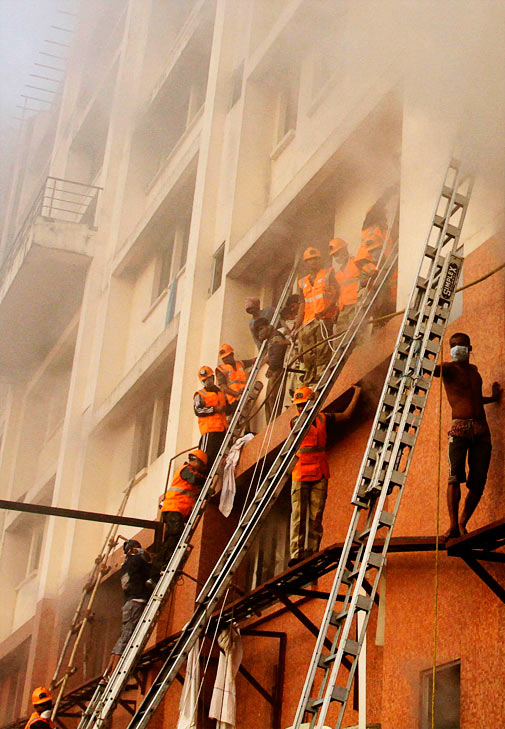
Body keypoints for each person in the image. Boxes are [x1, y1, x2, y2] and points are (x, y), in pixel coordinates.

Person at [434, 332, 501, 539]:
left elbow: (474, 399)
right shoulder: (448, 368)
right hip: (459, 429)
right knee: (455, 476)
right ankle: (453, 525)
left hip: (482, 429)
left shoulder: (473, 371)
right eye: (453, 345)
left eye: (461, 344)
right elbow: (432, 370)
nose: (457, 348)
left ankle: (463, 522)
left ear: (469, 348)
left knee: (479, 480)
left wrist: (492, 398)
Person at [288, 384, 361, 566]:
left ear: (311, 403)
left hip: (320, 471)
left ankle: (312, 552)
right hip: (301, 472)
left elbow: (346, 416)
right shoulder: (295, 422)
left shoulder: (322, 418)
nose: (300, 408)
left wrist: (356, 393)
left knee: (316, 515)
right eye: (298, 405)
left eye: (303, 404)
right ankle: (297, 554)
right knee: (299, 515)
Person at [147, 450, 208, 587]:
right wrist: (207, 478)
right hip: (175, 509)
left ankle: (161, 570)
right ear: (196, 461)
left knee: (173, 539)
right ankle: (160, 570)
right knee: (173, 538)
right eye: (202, 465)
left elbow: (192, 490)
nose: (202, 469)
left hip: (177, 511)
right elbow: (195, 480)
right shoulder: (186, 470)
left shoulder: (188, 472)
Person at [103, 539, 151, 677]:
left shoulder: (125, 566)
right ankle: (113, 673)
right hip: (136, 601)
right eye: (138, 547)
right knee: (126, 638)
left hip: (128, 603)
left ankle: (109, 670)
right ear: (132, 550)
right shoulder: (136, 560)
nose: (140, 549)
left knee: (123, 637)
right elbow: (148, 560)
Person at [294, 247, 339, 387]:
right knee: (308, 354)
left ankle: (321, 377)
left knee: (322, 350)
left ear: (320, 260)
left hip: (324, 319)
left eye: (315, 259)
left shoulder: (328, 274)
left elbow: (335, 294)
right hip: (308, 322)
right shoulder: (302, 282)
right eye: (309, 260)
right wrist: (297, 326)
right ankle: (309, 380)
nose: (313, 262)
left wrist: (325, 310)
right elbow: (302, 304)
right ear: (306, 263)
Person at [253, 317, 289, 421]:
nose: (260, 333)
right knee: (269, 398)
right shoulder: (271, 339)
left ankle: (274, 421)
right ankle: (271, 422)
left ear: (268, 326)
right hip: (275, 369)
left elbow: (278, 352)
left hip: (277, 370)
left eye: (261, 329)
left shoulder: (275, 336)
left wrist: (271, 368)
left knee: (273, 397)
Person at [194, 366, 228, 468]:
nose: (207, 382)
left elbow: (227, 408)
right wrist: (214, 409)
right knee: (206, 456)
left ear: (213, 378)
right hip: (209, 430)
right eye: (204, 380)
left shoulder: (220, 392)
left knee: (218, 455)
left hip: (222, 429)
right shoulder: (200, 394)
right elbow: (198, 410)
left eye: (208, 379)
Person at [329, 238, 361, 331]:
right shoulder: (338, 274)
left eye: (337, 253)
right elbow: (340, 294)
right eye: (334, 255)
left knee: (355, 335)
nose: (336, 257)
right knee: (340, 338)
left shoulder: (356, 262)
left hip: (356, 305)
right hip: (344, 309)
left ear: (344, 250)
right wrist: (337, 311)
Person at [216, 344, 255, 414]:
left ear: (232, 354)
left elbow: (252, 361)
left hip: (244, 396)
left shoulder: (240, 363)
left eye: (227, 356)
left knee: (245, 417)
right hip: (231, 401)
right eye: (223, 358)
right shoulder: (221, 369)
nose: (225, 359)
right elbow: (223, 387)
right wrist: (236, 394)